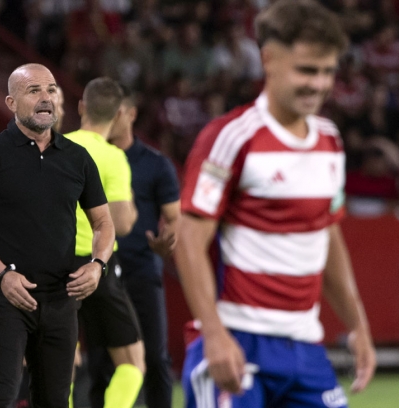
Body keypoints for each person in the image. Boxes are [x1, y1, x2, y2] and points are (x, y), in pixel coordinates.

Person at [174, 1, 377, 407]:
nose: (318, 84)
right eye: (306, 70)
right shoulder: (232, 137)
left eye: (327, 71)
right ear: (268, 59)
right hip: (237, 341)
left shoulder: (330, 140)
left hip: (305, 346)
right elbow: (188, 240)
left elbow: (326, 233)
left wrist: (358, 325)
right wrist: (214, 334)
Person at [0, 63, 114, 408]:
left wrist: (98, 264)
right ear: (10, 103)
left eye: (51, 90)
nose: (46, 98)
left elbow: (104, 223)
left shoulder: (77, 158)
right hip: (5, 299)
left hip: (60, 299)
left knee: (54, 400)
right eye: (34, 90)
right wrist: (2, 275)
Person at [65, 77, 145, 408]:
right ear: (118, 115)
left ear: (82, 108)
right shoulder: (113, 157)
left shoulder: (55, 146)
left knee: (61, 359)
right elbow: (123, 223)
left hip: (54, 264)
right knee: (132, 361)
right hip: (98, 266)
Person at [107, 84, 181, 408]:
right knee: (99, 357)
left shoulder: (155, 164)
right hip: (99, 270)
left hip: (142, 268)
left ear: (131, 114)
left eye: (117, 111)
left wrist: (169, 242)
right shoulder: (87, 159)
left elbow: (174, 218)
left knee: (155, 355)